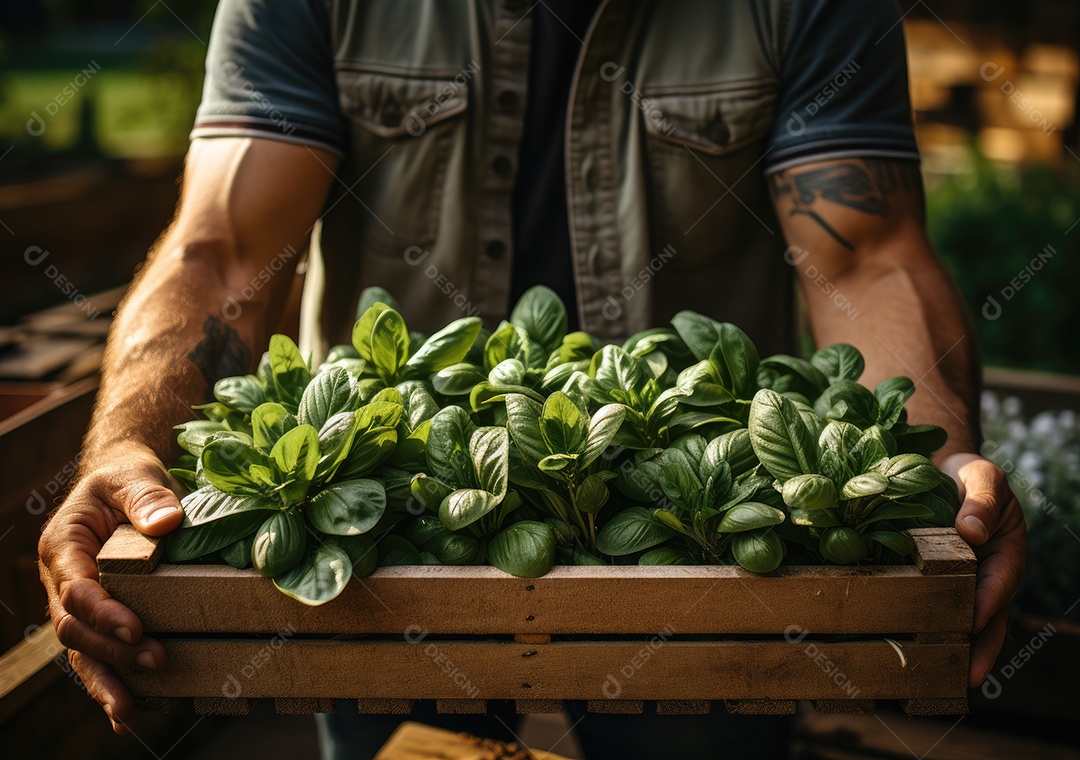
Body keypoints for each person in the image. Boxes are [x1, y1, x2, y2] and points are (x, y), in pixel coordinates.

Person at [38, 0, 1026, 757]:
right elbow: (225, 248)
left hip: (702, 550)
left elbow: (868, 255)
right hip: (388, 534)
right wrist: (129, 444)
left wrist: (933, 488)